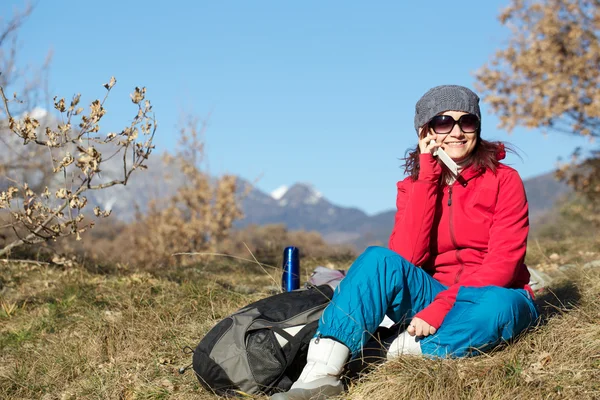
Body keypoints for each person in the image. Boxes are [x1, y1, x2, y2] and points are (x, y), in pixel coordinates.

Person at [271, 85, 540, 400]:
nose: (456, 132)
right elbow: (406, 256)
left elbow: (503, 266)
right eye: (443, 122)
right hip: (431, 294)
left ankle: (391, 352)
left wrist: (441, 308)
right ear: (425, 132)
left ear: (477, 128)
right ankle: (320, 375)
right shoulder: (415, 185)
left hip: (487, 297)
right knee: (377, 260)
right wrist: (427, 177)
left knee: (500, 307)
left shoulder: (504, 180)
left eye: (466, 122)